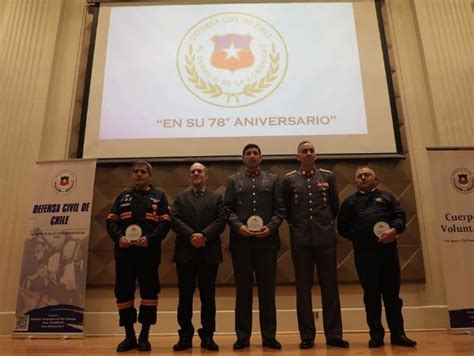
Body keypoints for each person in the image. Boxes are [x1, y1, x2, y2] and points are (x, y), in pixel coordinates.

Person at [337, 166, 417, 348]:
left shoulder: (388, 197)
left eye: (367, 175)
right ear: (355, 180)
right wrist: (361, 237)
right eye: (359, 176)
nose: (363, 178)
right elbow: (342, 227)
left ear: (376, 179)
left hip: (388, 253)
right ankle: (376, 336)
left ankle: (398, 335)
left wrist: (394, 231)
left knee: (392, 296)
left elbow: (400, 216)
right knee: (371, 296)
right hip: (364, 255)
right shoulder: (349, 202)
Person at [282, 141, 349, 349]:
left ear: (316, 156)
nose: (308, 153)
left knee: (330, 288)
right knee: (303, 290)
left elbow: (333, 207)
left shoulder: (327, 176)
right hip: (301, 241)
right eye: (304, 151)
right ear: (298, 157)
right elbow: (287, 211)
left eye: (311, 151)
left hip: (325, 240)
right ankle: (307, 335)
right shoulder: (290, 179)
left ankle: (334, 334)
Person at [224, 143, 285, 350]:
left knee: (267, 292)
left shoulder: (273, 180)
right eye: (248, 154)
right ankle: (243, 336)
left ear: (261, 158)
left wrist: (271, 227)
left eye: (255, 153)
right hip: (241, 243)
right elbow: (227, 210)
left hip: (267, 243)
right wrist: (238, 227)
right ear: (243, 159)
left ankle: (269, 336)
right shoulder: (233, 181)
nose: (251, 156)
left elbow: (280, 210)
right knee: (243, 292)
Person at [106, 160, 171, 352]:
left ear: (150, 176)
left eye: (143, 172)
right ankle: (129, 336)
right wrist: (119, 238)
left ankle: (144, 336)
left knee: (149, 294)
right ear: (132, 175)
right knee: (123, 293)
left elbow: (165, 224)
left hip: (148, 254)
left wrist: (150, 239)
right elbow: (111, 222)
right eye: (136, 172)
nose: (139, 174)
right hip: (124, 254)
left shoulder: (159, 197)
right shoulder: (122, 196)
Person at [171, 162, 226, 352]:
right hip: (185, 254)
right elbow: (175, 219)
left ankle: (208, 336)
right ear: (189, 177)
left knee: (208, 298)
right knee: (185, 297)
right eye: (192, 171)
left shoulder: (217, 197)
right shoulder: (180, 198)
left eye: (199, 171)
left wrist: (203, 236)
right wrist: (191, 236)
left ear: (206, 176)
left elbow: (221, 220)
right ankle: (185, 336)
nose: (196, 173)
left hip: (209, 254)